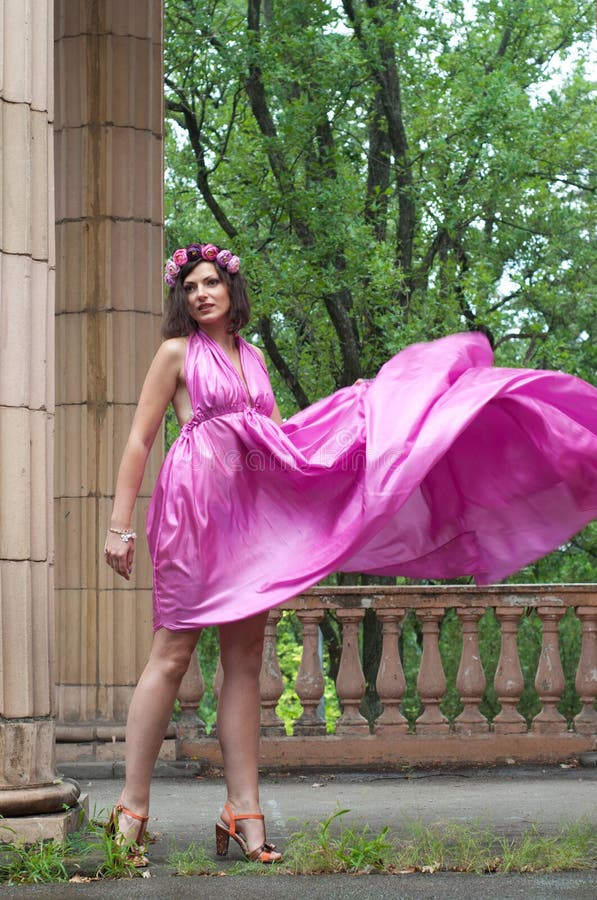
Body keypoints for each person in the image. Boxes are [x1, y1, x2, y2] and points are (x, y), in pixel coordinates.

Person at [104, 241, 597, 865]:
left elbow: (281, 445)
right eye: (192, 287)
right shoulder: (176, 354)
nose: (202, 294)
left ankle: (243, 811)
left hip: (253, 522)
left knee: (247, 658)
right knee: (172, 655)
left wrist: (356, 420)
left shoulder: (253, 360)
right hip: (195, 512)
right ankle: (132, 808)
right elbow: (139, 440)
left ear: (232, 292)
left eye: (212, 284)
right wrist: (119, 526)